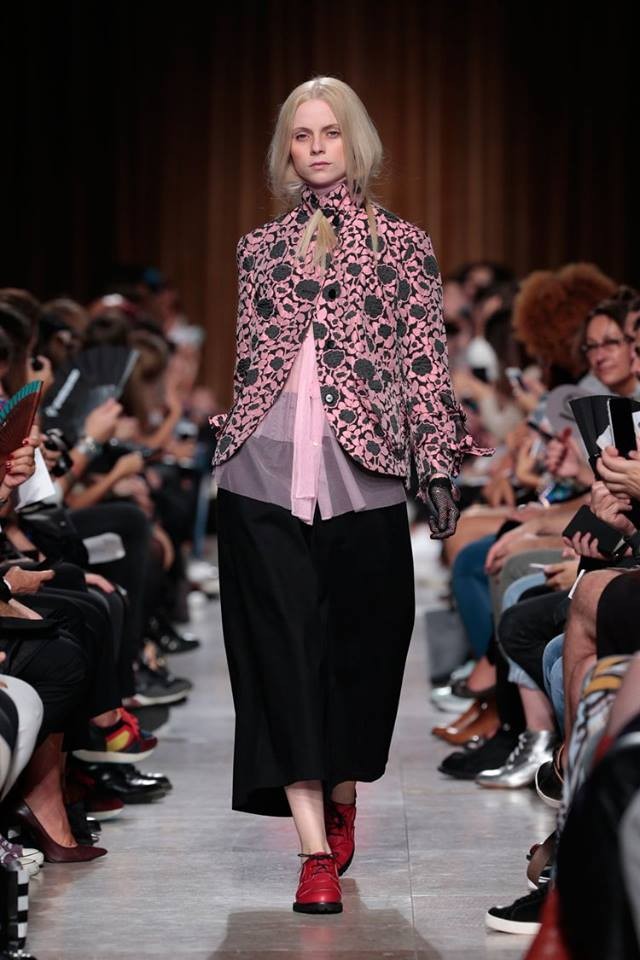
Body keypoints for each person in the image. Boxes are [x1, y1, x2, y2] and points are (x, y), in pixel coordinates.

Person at [210, 76, 488, 915]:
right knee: (282, 654)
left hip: (362, 471)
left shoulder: (403, 244)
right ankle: (311, 854)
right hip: (260, 472)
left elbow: (424, 363)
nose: (317, 147)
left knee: (362, 651)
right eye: (302, 135)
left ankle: (341, 793)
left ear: (355, 141)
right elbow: (250, 361)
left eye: (330, 132)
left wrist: (437, 464)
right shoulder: (259, 249)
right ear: (286, 150)